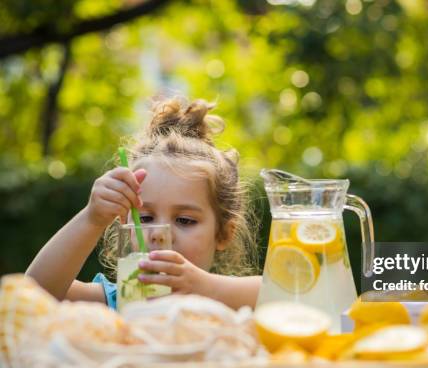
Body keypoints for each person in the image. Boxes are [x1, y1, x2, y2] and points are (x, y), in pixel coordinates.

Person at [26, 97, 261, 310]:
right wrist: (92, 218)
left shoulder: (230, 302)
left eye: (184, 220)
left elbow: (290, 298)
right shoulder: (119, 300)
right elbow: (33, 296)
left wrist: (208, 288)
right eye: (146, 218)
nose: (158, 235)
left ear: (223, 234)